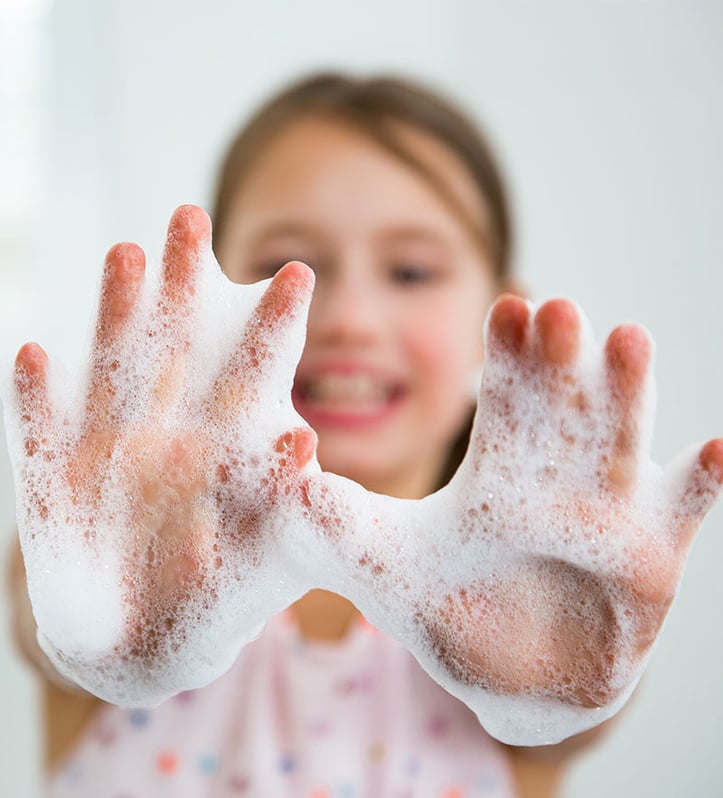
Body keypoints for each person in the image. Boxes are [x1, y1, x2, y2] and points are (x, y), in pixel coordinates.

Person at [7, 72, 723, 798]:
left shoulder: (506, 616)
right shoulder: (133, 557)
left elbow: (571, 706)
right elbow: (47, 634)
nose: (348, 317)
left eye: (410, 272)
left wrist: (571, 676)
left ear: (498, 321)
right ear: (214, 300)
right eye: (290, 264)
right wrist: (103, 621)